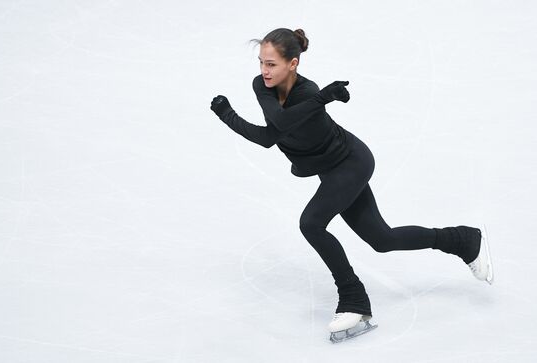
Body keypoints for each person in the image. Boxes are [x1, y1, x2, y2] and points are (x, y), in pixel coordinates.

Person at [210, 27, 494, 343]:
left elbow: (283, 123)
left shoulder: (307, 92)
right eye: (261, 62)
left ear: (293, 64)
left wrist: (319, 99)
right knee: (382, 239)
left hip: (351, 163)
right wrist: (227, 115)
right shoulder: (264, 86)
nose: (264, 70)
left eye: (272, 64)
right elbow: (271, 134)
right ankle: (463, 240)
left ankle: (353, 299)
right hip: (333, 171)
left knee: (311, 224)